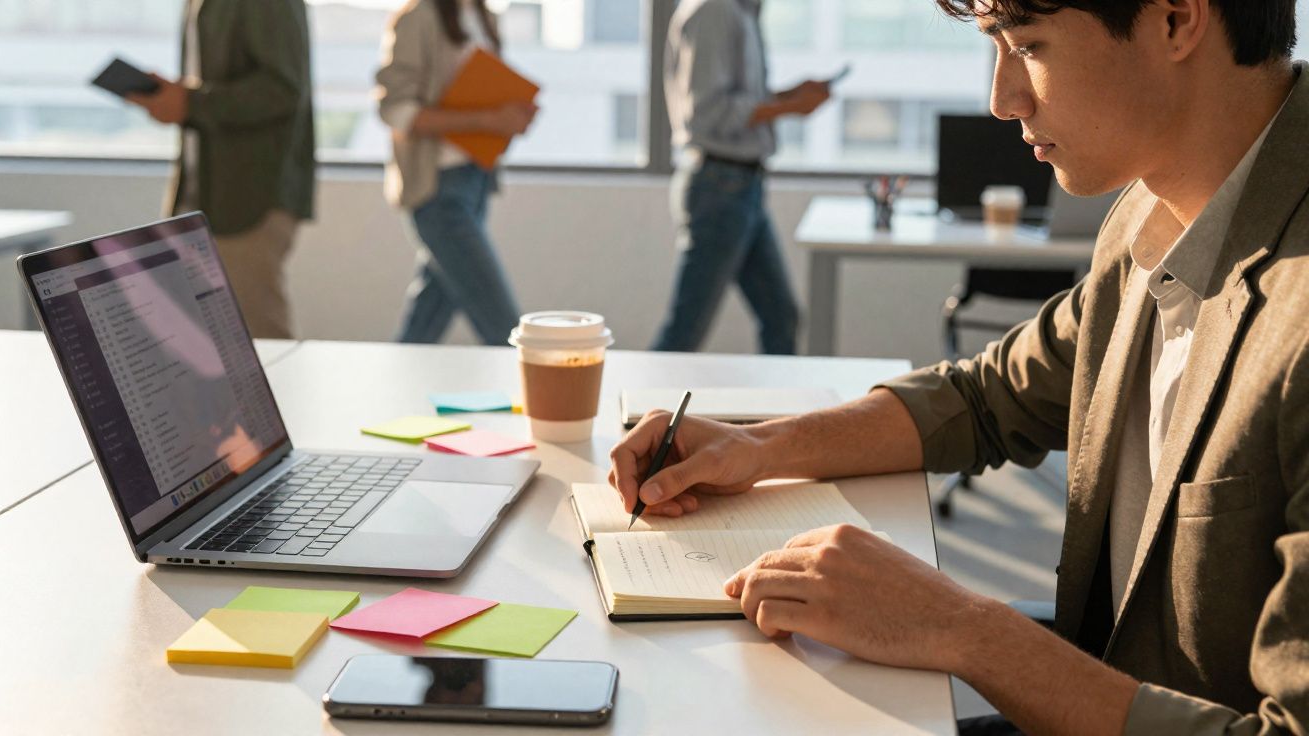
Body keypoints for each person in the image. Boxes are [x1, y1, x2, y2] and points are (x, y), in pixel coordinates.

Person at [609, 0, 1308, 733]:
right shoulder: (1147, 213)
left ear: (1175, 20)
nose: (1001, 99)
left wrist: (959, 626)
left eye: (1029, 46)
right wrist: (760, 445)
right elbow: (987, 398)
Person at [652, 0, 832, 355]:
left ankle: (783, 410)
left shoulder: (741, 11)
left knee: (781, 316)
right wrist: (792, 107)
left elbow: (738, 99)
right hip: (720, 186)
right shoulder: (715, 10)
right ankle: (639, 410)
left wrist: (791, 94)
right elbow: (710, 111)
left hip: (742, 186)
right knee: (686, 330)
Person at [129, 0, 315, 340]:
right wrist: (177, 98)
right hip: (202, 198)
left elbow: (283, 90)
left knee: (260, 342)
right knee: (200, 345)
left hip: (250, 198)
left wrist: (191, 102)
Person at [376, 0, 537, 346]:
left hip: (475, 180)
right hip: (437, 189)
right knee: (505, 329)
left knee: (425, 325)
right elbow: (395, 109)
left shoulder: (483, 16)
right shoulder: (417, 18)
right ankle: (540, 398)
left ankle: (390, 389)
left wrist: (508, 120)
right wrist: (485, 121)